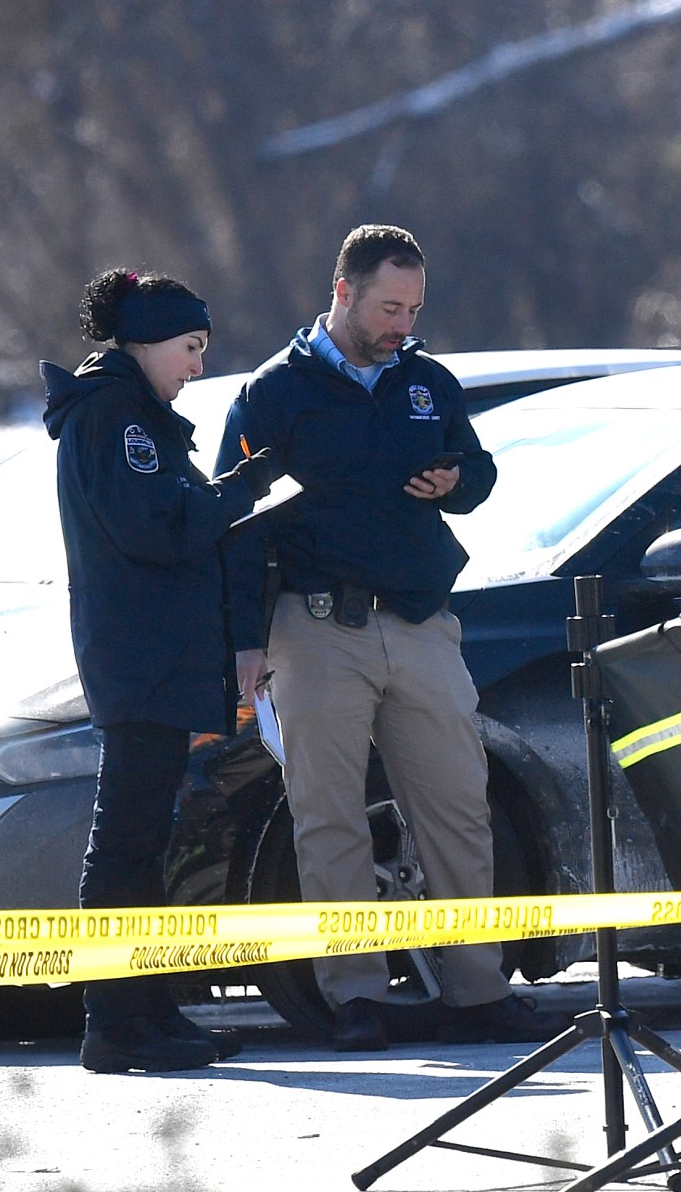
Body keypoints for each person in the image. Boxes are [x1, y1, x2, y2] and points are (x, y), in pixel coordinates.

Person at [221, 225, 549, 1050]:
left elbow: (477, 472)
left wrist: (457, 479)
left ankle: (479, 990)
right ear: (342, 293)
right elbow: (235, 525)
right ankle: (355, 996)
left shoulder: (427, 382)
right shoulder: (272, 395)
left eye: (414, 308)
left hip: (421, 621)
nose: (403, 323)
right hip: (316, 625)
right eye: (388, 306)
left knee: (458, 806)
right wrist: (242, 643)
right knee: (328, 818)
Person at [42, 268, 280, 1074]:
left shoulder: (131, 416)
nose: (197, 365)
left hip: (149, 658)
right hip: (139, 661)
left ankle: (143, 1009)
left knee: (142, 844)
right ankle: (114, 1018)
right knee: (125, 845)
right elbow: (160, 529)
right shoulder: (118, 419)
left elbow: (167, 521)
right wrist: (243, 489)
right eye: (189, 347)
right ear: (145, 340)